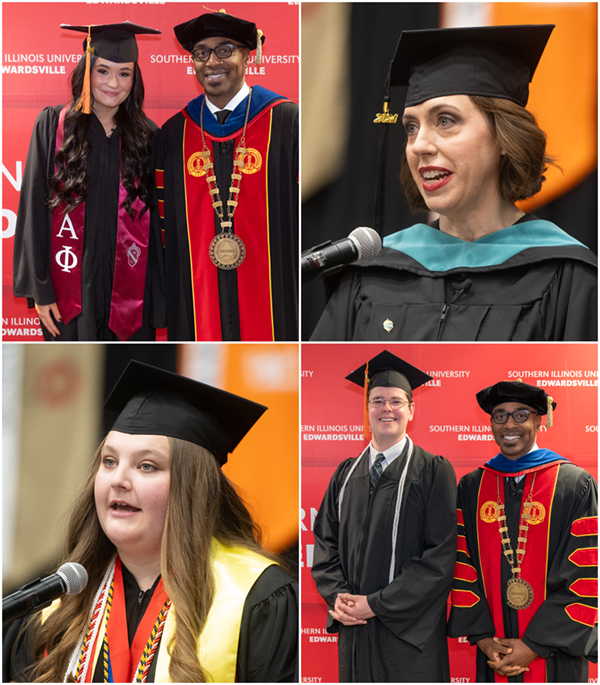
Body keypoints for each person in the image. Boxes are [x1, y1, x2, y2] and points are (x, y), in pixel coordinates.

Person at [3, 361, 298, 682]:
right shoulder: (54, 607)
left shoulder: (256, 598)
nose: (119, 479)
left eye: (146, 466)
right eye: (109, 461)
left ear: (193, 487)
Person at [311, 25, 597, 341]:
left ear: (504, 135)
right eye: (411, 128)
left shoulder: (566, 275)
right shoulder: (376, 272)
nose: (419, 145)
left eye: (445, 121)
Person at [12, 22, 166, 341]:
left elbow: (157, 226)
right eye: (103, 71)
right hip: (68, 291)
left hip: (131, 296)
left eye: (124, 73)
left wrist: (157, 302)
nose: (113, 83)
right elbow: (32, 211)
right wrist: (40, 291)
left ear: (134, 78)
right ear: (87, 72)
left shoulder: (148, 136)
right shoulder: (53, 126)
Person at [311, 350, 457, 681]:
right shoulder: (346, 473)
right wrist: (340, 598)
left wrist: (377, 603)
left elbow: (440, 555)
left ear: (411, 410)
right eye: (377, 401)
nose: (386, 409)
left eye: (395, 401)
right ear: (367, 409)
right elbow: (325, 543)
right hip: (356, 631)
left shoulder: (434, 471)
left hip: (407, 634)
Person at [155, 10, 299, 341]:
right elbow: (162, 232)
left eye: (225, 49)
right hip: (195, 305)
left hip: (277, 302)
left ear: (248, 55)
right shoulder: (174, 135)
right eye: (201, 52)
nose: (211, 62)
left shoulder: (286, 123)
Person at [448, 380, 598, 682]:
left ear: (539, 420)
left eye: (521, 414)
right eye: (500, 415)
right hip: (494, 651)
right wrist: (484, 639)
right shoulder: (472, 486)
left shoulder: (574, 485)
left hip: (555, 653)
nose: (509, 425)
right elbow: (462, 565)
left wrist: (534, 644)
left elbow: (587, 573)